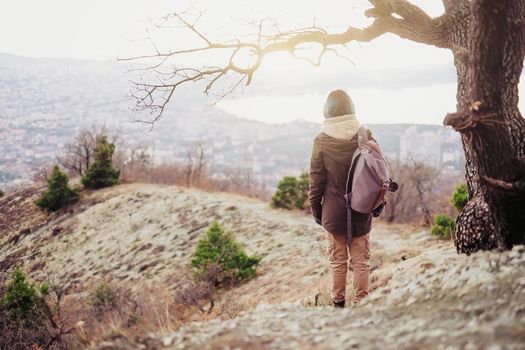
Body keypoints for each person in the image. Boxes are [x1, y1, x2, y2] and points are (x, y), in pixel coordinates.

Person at [309, 89, 374, 308]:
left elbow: (316, 180)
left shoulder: (321, 141)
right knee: (361, 260)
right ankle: (362, 304)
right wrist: (378, 204)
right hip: (362, 207)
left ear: (327, 111)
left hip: (333, 211)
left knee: (337, 261)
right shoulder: (365, 136)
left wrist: (316, 211)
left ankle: (338, 305)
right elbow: (377, 173)